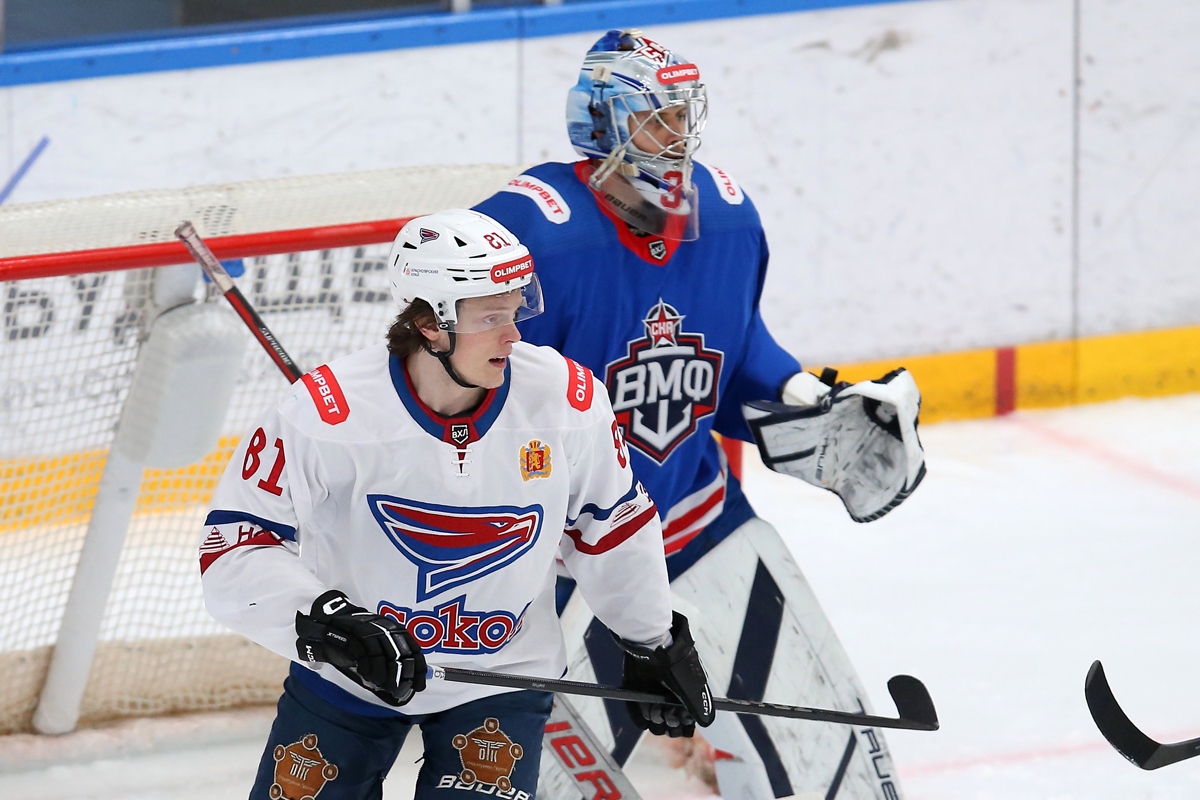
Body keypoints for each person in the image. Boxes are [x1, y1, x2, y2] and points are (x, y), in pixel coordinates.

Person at [473, 29, 908, 800]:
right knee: (515, 782)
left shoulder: (729, 221)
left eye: (683, 115)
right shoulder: (532, 234)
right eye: (657, 118)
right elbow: (465, 396)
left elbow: (737, 363)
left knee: (836, 765)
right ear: (601, 122)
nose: (677, 136)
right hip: (565, 558)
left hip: (698, 523)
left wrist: (812, 406)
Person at [198, 208, 714, 800]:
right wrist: (328, 623)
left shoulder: (566, 401)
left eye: (515, 311)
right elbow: (235, 546)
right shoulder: (324, 412)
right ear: (429, 324)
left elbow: (612, 528)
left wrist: (652, 641)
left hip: (501, 677)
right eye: (491, 318)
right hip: (351, 673)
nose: (513, 335)